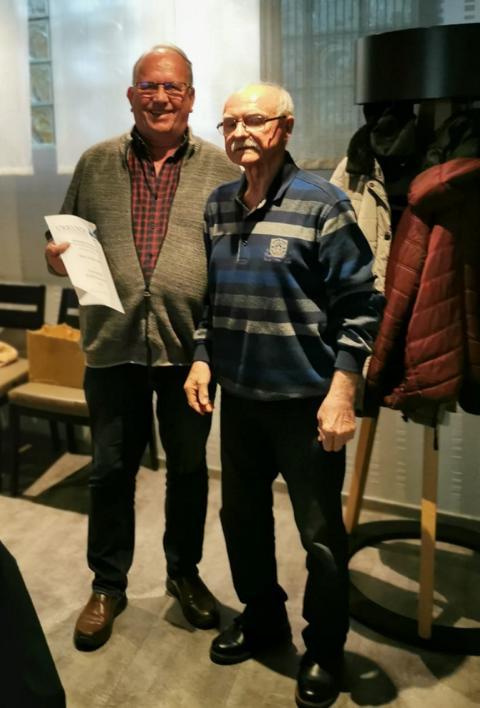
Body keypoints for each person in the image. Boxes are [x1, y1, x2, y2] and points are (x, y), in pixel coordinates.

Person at [184, 83, 382, 708]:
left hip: (306, 404)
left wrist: (343, 390)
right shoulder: (218, 206)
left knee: (320, 537)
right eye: (229, 123)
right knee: (241, 522)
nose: (240, 132)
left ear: (285, 129)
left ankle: (324, 649)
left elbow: (362, 305)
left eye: (255, 120)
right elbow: (211, 301)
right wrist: (201, 357)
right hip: (240, 402)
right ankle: (264, 618)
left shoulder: (324, 204)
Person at [45, 44, 239, 651]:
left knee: (188, 472)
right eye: (149, 87)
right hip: (112, 347)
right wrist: (55, 260)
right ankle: (107, 585)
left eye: (173, 87)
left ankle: (184, 573)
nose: (161, 98)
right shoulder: (95, 162)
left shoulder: (222, 171)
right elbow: (65, 245)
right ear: (131, 95)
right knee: (109, 472)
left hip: (190, 355)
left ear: (191, 98)